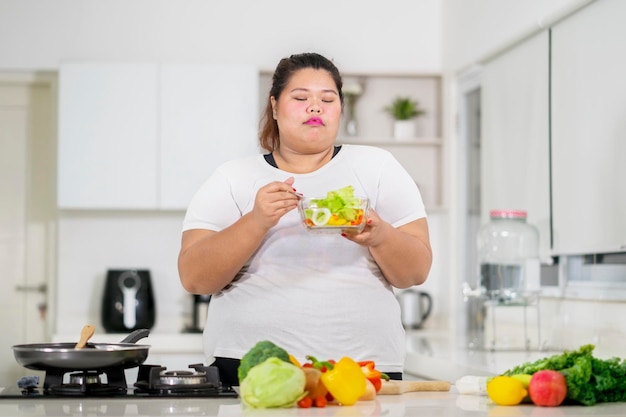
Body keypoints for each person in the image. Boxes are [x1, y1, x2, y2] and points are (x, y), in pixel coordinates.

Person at [178, 52, 432, 386]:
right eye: (300, 98)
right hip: (245, 364)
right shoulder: (233, 177)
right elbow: (195, 278)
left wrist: (379, 235)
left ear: (339, 109)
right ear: (274, 106)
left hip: (364, 367)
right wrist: (256, 221)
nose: (315, 107)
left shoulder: (378, 166)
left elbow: (416, 272)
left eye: (328, 99)